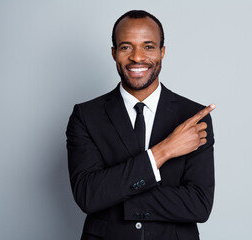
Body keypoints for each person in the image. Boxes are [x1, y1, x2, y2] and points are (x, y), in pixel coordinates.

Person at [66, 10, 215, 240]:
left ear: (162, 52)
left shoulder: (194, 117)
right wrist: (164, 150)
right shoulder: (86, 116)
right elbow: (88, 195)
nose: (137, 57)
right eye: (126, 47)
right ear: (114, 53)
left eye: (148, 46)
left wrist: (115, 193)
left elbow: (199, 205)